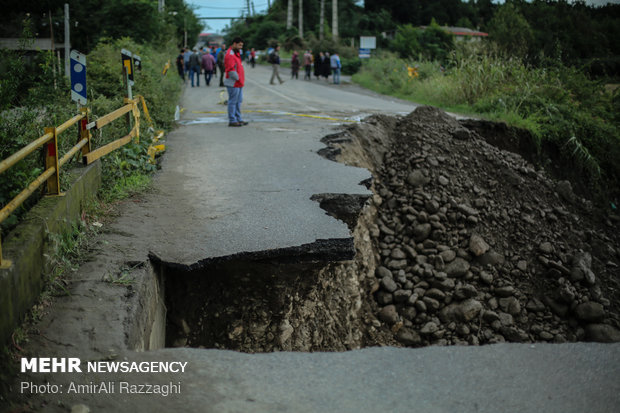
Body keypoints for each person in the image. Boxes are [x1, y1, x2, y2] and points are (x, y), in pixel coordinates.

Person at [224, 37, 247, 127]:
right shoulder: (230, 55)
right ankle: (232, 120)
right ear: (234, 44)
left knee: (238, 102)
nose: (241, 47)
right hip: (233, 83)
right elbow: (230, 69)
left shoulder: (236, 54)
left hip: (239, 83)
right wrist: (237, 78)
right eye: (239, 45)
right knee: (233, 102)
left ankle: (238, 119)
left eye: (242, 45)